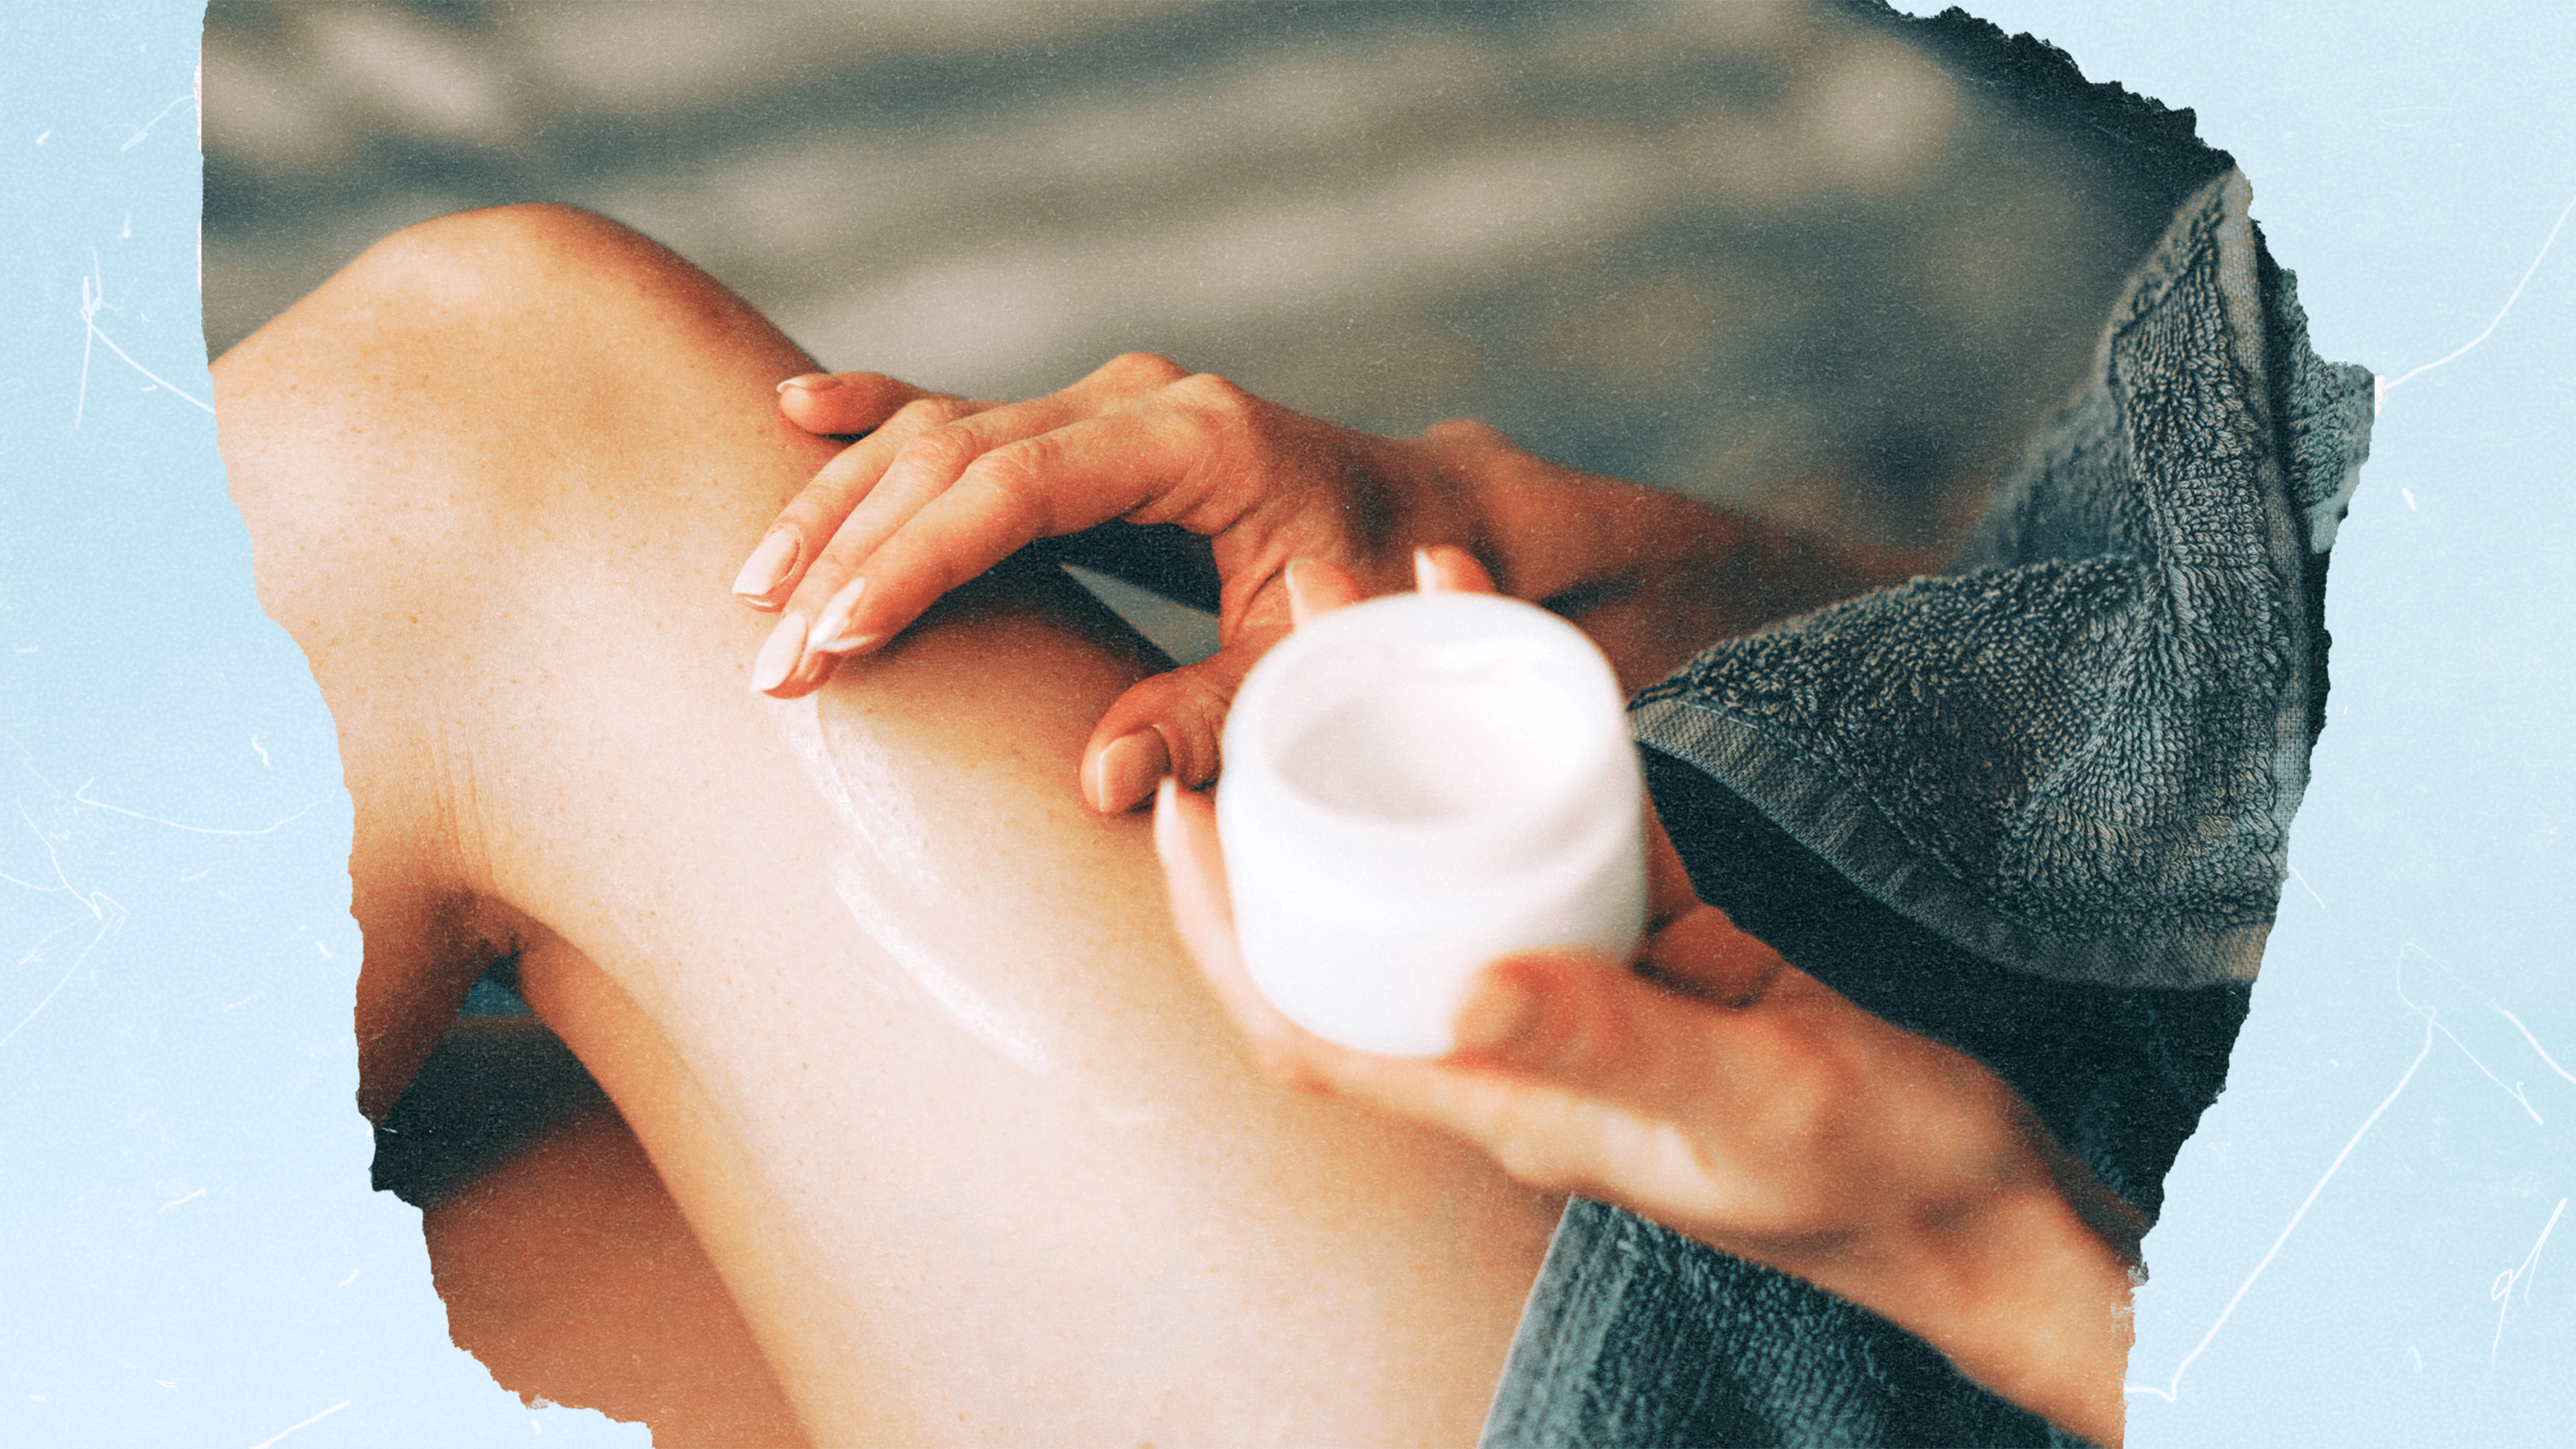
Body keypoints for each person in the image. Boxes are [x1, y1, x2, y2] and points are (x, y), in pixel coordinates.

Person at [216, 200, 2165, 1449]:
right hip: (1916, 1041)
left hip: (1957, 1308)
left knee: (477, 416)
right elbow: (2236, 686)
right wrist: (1621, 563)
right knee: (406, 1251)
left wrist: (2000, 1255)